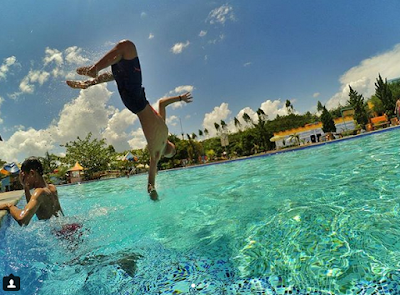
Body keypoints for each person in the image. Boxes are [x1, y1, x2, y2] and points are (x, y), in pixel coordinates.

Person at [66, 40, 192, 200]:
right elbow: (162, 103)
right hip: (133, 102)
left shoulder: (159, 146)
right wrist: (153, 191)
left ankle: (93, 71)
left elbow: (151, 176)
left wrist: (180, 98)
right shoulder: (159, 141)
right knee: (118, 69)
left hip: (138, 100)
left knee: (127, 47)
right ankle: (90, 82)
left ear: (171, 148)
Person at [0, 157, 64, 226]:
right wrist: (25, 187)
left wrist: (9, 206)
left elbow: (23, 220)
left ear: (32, 173)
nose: (23, 179)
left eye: (24, 176)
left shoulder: (39, 192)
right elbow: (32, 207)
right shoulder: (52, 188)